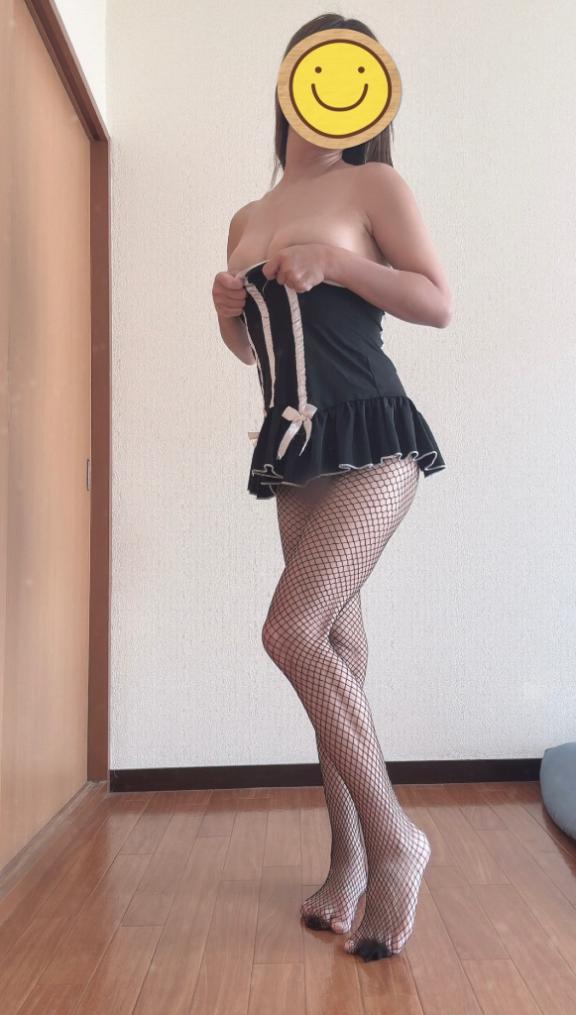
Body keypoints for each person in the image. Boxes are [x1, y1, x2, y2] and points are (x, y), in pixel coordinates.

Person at [212, 13, 453, 963]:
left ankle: (396, 842)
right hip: (297, 448)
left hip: (375, 435)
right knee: (337, 650)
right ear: (288, 82)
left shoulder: (374, 184)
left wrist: (340, 263)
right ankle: (347, 863)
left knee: (291, 630)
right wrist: (228, 316)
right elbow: (256, 355)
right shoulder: (248, 214)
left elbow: (435, 300)